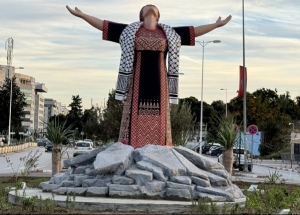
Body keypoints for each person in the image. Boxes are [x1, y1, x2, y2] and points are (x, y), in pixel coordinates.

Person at [66, 4, 231, 148]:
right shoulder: (130, 31)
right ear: (141, 14)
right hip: (136, 85)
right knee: (133, 116)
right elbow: (104, 25)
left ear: (158, 16)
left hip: (160, 85)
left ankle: (159, 147)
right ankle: (131, 147)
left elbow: (194, 31)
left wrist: (216, 25)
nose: (150, 5)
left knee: (160, 118)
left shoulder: (170, 34)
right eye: (147, 6)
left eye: (153, 6)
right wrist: (82, 16)